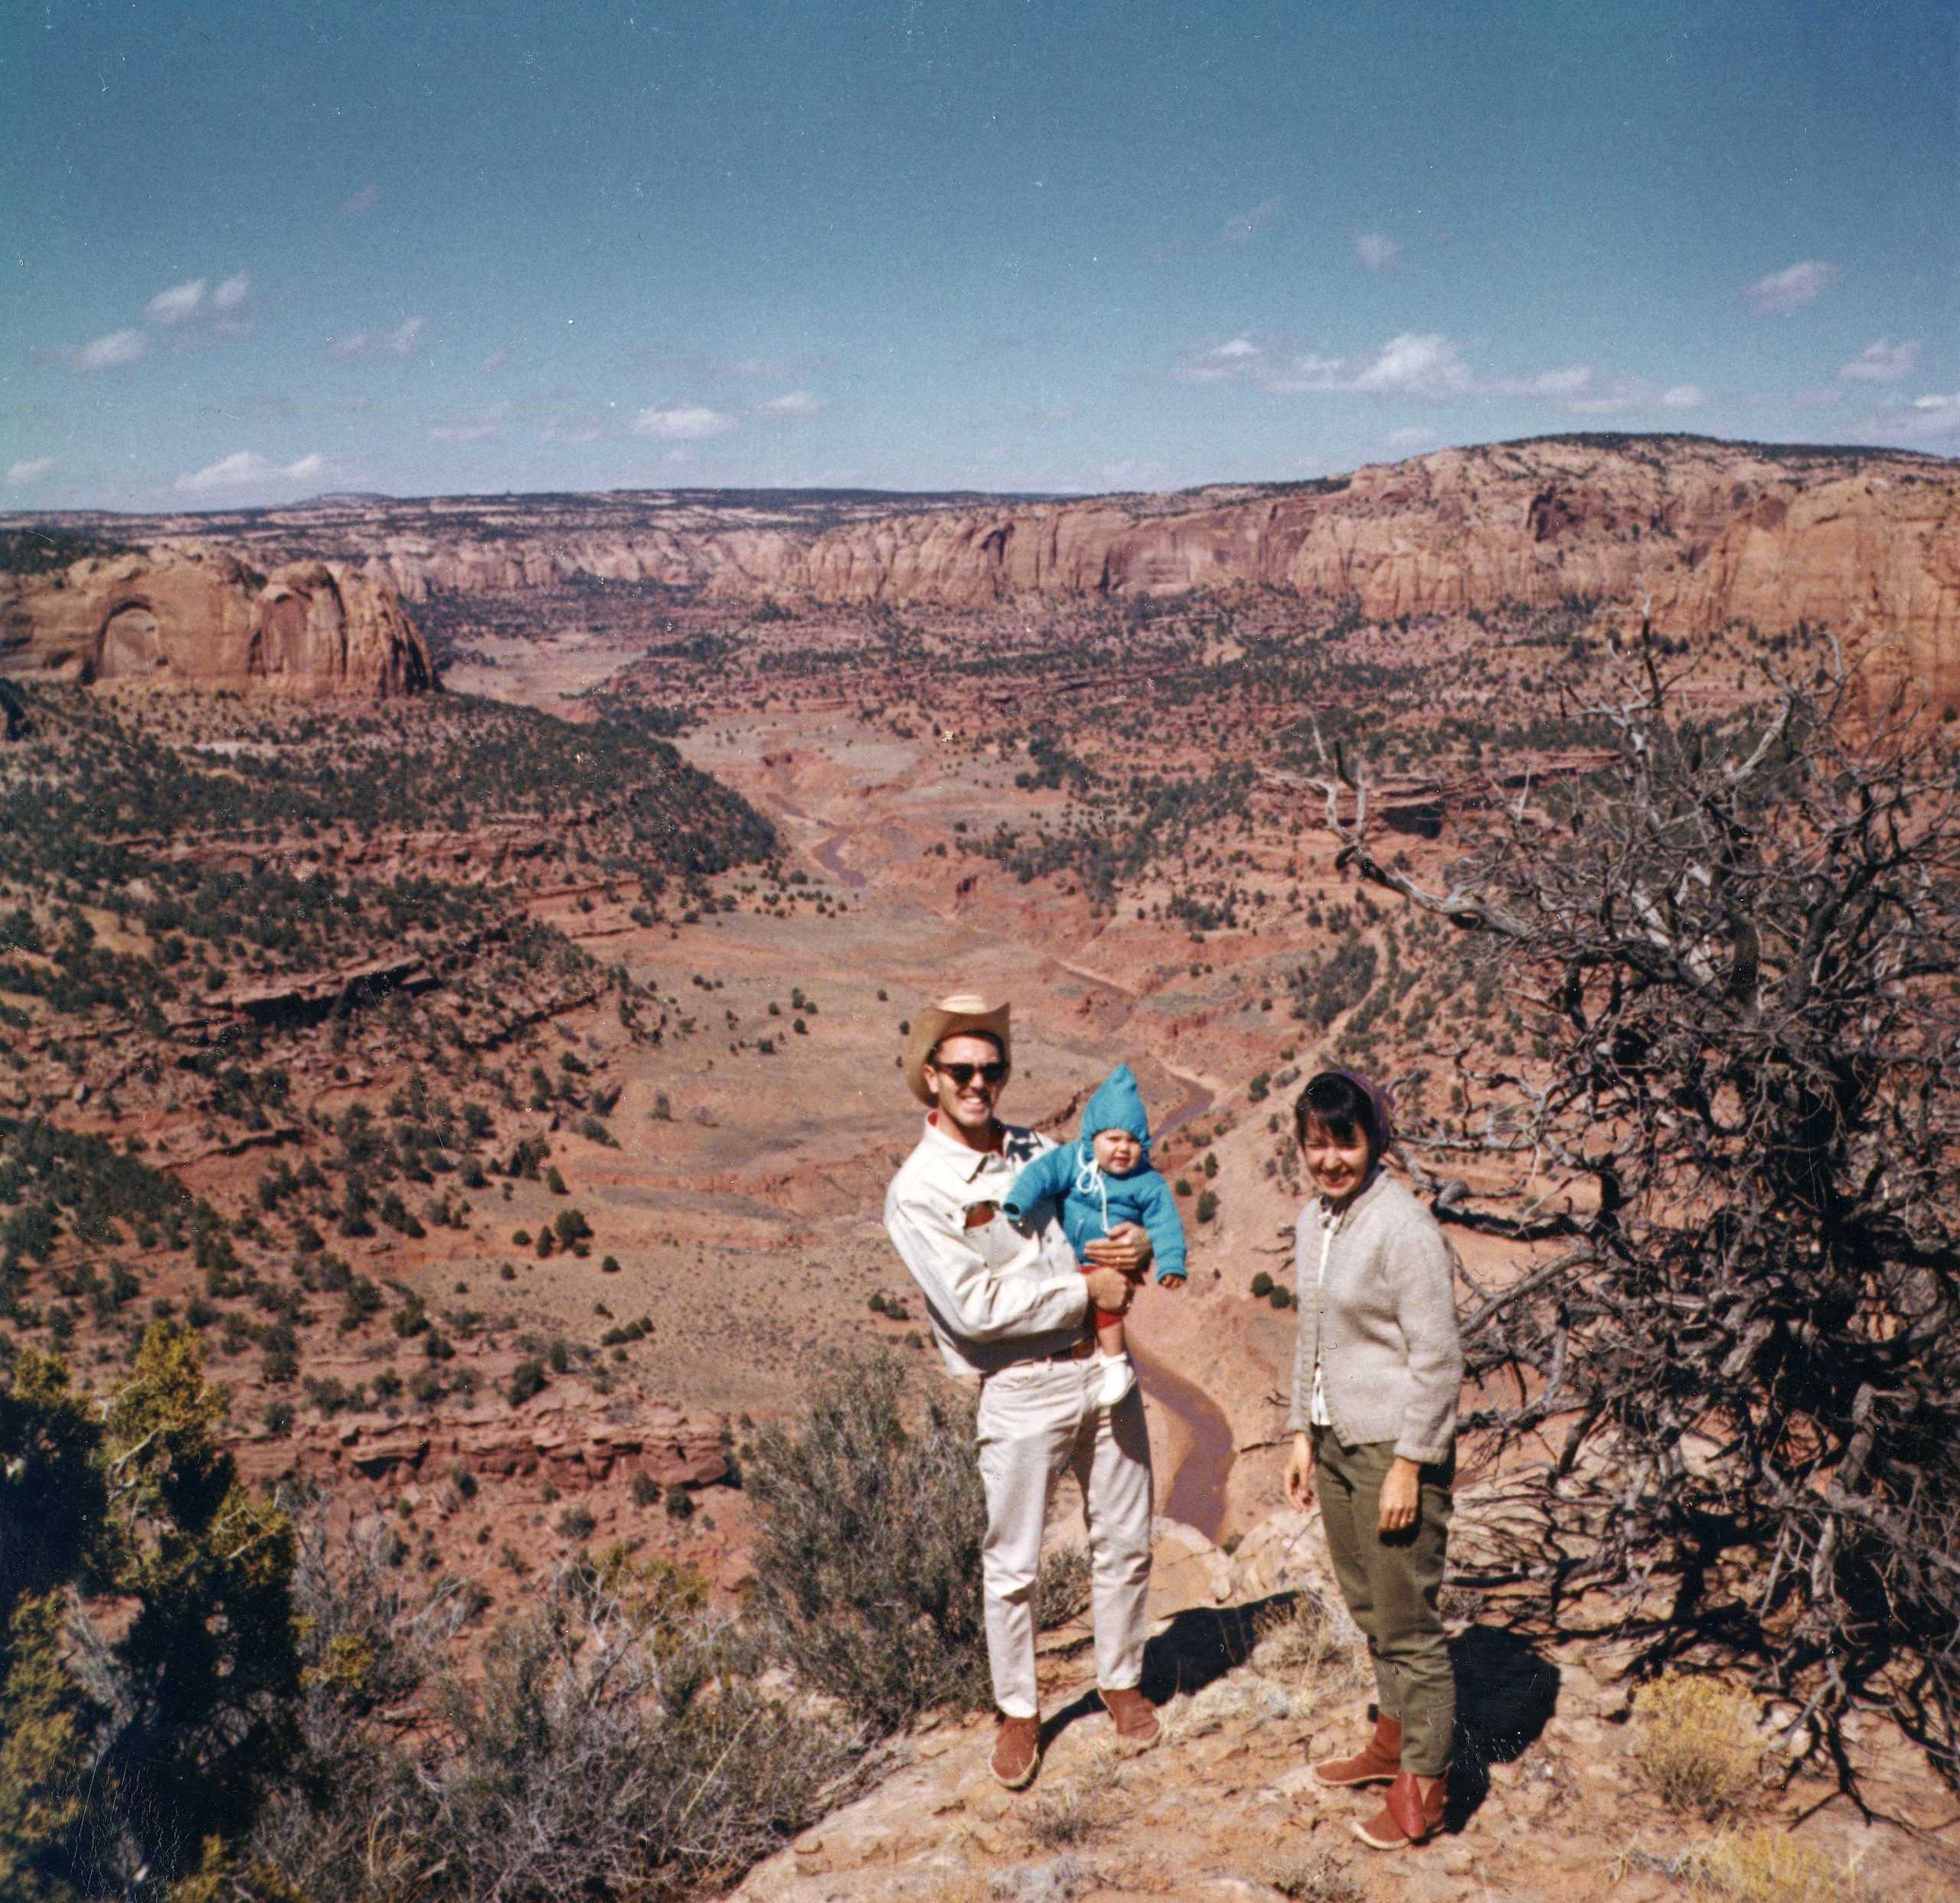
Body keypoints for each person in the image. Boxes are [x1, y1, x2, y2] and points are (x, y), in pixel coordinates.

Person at [885, 994, 1161, 1792]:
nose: (979, 1082)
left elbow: (1109, 1204)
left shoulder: (1039, 1148)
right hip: (1020, 1384)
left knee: (1126, 1534)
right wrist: (1087, 1286)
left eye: (992, 1067)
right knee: (1012, 1562)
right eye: (961, 1069)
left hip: (1103, 1365)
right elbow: (973, 1305)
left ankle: (1120, 1679)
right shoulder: (919, 1190)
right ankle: (1018, 1709)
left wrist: (1134, 1240)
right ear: (930, 1077)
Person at [1282, 1069, 1464, 1852]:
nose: (1329, 1158)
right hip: (1333, 1440)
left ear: (1373, 1139)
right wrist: (1299, 1432)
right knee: (1367, 1604)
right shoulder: (1312, 1221)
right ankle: (1390, 1739)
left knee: (1409, 1622)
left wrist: (1411, 1463)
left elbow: (1439, 1356)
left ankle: (1426, 1786)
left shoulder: (1403, 1228)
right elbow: (1309, 1333)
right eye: (1315, 1142)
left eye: (1344, 1140)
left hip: (1391, 1446)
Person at [1001, 1062, 1186, 1406]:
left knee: (1105, 1301)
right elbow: (1040, 1174)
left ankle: (1115, 1362)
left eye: (1133, 1141)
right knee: (1084, 1298)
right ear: (1092, 1137)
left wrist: (1171, 1262)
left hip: (1113, 1257)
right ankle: (1099, 1358)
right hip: (1072, 1259)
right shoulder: (1073, 1159)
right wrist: (1018, 1202)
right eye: (1113, 1138)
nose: (1122, 1149)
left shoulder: (1147, 1181)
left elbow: (1165, 1222)